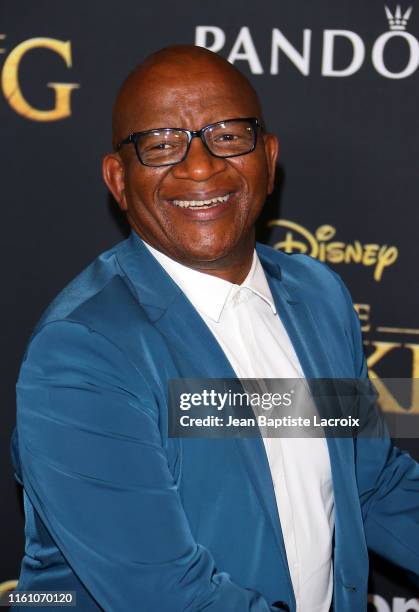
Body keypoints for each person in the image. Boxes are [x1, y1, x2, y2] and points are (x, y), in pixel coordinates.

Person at [11, 45, 419, 612]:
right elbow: (166, 596)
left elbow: (367, 483)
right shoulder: (83, 354)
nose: (199, 166)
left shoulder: (318, 297)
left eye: (227, 135)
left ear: (269, 159)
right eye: (159, 144)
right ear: (118, 180)